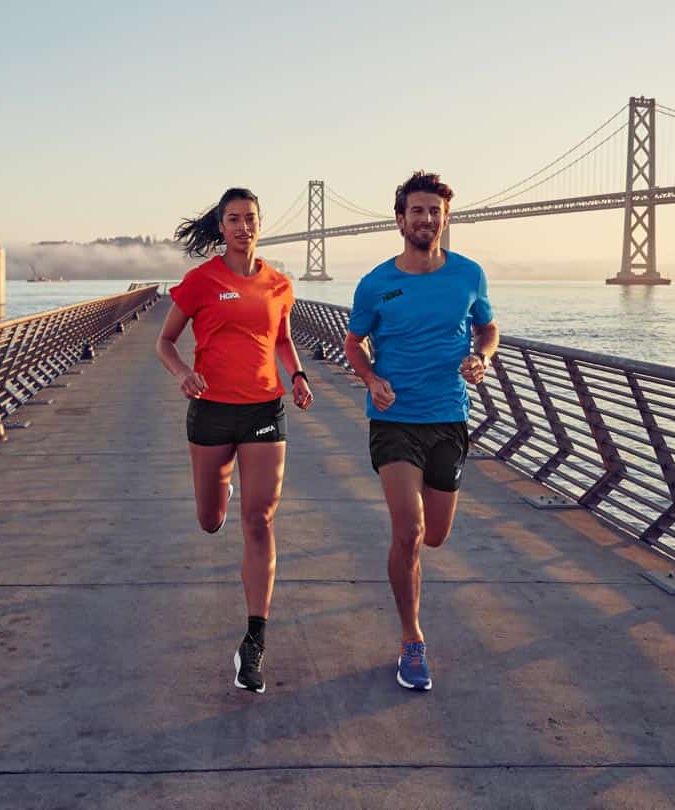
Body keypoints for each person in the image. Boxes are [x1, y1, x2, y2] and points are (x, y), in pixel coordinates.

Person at [342, 171, 499, 691]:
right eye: (417, 211)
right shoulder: (375, 284)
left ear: (445, 218)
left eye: (435, 211)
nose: (426, 219)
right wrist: (370, 377)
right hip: (393, 420)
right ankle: (412, 639)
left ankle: (412, 623)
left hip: (449, 417)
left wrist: (482, 357)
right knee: (407, 531)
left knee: (435, 535)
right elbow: (352, 343)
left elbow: (487, 327)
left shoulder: (469, 274)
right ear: (400, 219)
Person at [156, 187, 314, 694]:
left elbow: (283, 339)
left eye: (250, 218)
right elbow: (165, 340)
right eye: (233, 219)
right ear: (220, 227)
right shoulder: (201, 281)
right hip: (211, 413)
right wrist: (182, 371)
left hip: (265, 411)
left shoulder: (278, 284)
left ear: (260, 224)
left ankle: (254, 641)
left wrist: (299, 375)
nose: (243, 226)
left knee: (260, 519)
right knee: (210, 521)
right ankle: (217, 492)